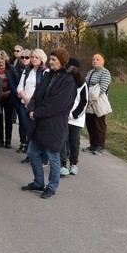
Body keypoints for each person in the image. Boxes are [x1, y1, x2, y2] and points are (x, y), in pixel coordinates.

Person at [22, 48, 76, 199]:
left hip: (54, 124)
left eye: (54, 59)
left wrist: (36, 113)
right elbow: (36, 95)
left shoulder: (67, 80)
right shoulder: (47, 75)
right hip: (39, 122)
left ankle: (52, 186)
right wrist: (31, 109)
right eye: (50, 59)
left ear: (62, 61)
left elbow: (57, 104)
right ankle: (39, 182)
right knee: (32, 153)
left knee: (53, 156)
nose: (50, 62)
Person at [16, 48, 48, 159]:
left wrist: (32, 103)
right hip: (24, 104)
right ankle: (31, 155)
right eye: (32, 57)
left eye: (36, 57)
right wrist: (26, 99)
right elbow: (20, 87)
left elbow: (44, 90)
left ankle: (42, 156)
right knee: (29, 131)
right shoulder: (27, 70)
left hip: (37, 107)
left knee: (38, 132)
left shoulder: (45, 71)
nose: (33, 59)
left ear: (42, 58)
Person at [60, 58, 88, 176]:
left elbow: (84, 102)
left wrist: (73, 115)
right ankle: (62, 165)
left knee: (74, 142)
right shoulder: (64, 81)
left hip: (76, 119)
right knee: (62, 141)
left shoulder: (82, 85)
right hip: (64, 117)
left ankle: (73, 164)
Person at [84, 53, 112, 155]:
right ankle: (93, 145)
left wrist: (92, 97)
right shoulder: (90, 72)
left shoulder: (105, 72)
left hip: (98, 102)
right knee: (90, 124)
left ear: (102, 61)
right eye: (93, 59)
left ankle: (100, 146)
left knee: (99, 125)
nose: (95, 61)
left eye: (97, 59)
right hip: (88, 102)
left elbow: (103, 88)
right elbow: (85, 84)